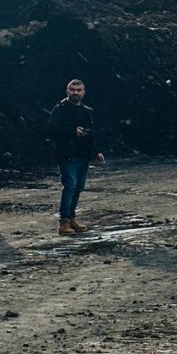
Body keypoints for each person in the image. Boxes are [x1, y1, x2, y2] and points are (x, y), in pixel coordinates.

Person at [48, 78, 105, 236]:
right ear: (67, 91)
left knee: (78, 188)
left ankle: (72, 219)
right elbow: (52, 130)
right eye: (72, 90)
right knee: (70, 187)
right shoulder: (60, 109)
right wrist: (72, 131)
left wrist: (96, 152)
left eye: (78, 90)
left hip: (82, 156)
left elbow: (90, 134)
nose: (75, 92)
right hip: (67, 156)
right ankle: (64, 222)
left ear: (84, 92)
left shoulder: (87, 111)